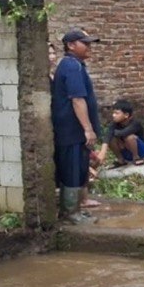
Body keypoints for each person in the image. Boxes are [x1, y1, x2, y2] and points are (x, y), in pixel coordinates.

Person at [51, 28, 102, 222]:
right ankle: (69, 213)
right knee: (72, 169)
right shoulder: (71, 66)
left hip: (74, 131)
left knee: (79, 167)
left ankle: (76, 210)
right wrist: (88, 129)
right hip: (71, 130)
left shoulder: (75, 65)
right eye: (85, 43)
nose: (89, 47)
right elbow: (77, 100)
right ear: (71, 45)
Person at [99, 100, 144, 167]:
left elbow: (123, 133)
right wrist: (102, 152)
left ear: (126, 115)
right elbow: (107, 137)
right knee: (111, 139)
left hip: (141, 151)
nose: (113, 115)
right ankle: (121, 160)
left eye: (117, 113)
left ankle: (136, 158)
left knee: (129, 137)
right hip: (125, 151)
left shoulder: (135, 123)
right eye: (113, 113)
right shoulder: (114, 124)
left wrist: (112, 132)